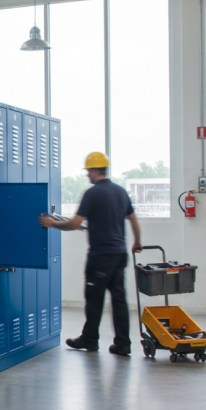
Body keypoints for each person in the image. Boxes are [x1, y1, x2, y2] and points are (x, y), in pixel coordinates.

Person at [40, 152, 142, 355]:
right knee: (119, 300)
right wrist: (137, 241)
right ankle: (123, 343)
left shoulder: (93, 193)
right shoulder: (121, 192)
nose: (87, 175)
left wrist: (52, 224)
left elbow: (74, 223)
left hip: (101, 256)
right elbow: (133, 219)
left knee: (94, 299)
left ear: (95, 171)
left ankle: (90, 339)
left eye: (88, 171)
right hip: (120, 255)